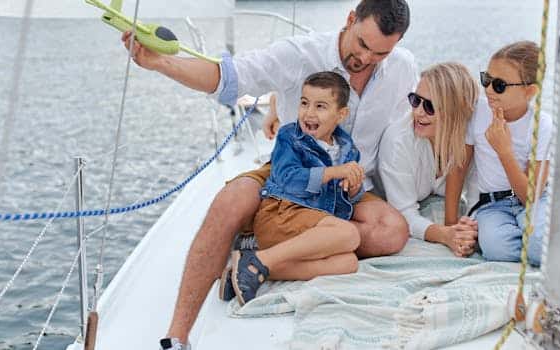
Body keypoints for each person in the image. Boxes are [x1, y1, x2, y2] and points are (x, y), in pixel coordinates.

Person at [122, 1, 414, 348]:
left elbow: (412, 127)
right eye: (362, 44)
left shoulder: (403, 68)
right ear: (350, 20)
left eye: (380, 53)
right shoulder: (301, 53)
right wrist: (161, 62)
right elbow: (228, 78)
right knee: (229, 203)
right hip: (289, 177)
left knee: (392, 232)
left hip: (346, 185)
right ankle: (176, 336)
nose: (366, 58)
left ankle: (254, 257)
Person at [229, 71, 364, 305]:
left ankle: (251, 266)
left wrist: (353, 189)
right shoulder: (290, 137)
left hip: (306, 228)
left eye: (320, 106)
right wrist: (332, 173)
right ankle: (255, 263)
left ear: (341, 114)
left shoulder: (347, 149)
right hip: (281, 214)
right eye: (304, 103)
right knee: (350, 234)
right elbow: (287, 178)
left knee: (348, 263)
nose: (309, 112)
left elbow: (345, 197)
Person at [445, 41, 552, 266]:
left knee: (538, 243)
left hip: (533, 201)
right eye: (486, 79)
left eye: (500, 85)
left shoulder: (541, 125)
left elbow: (529, 198)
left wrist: (504, 151)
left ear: (530, 91)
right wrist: (450, 224)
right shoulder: (478, 113)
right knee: (495, 248)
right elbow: (458, 168)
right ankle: (544, 247)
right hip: (491, 205)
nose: (488, 90)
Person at [378, 62, 481, 257]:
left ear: (455, 111)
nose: (418, 112)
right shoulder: (398, 140)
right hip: (386, 207)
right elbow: (404, 213)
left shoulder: (471, 140)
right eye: (415, 100)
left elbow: (476, 198)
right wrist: (445, 235)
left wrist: (467, 230)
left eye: (430, 106)